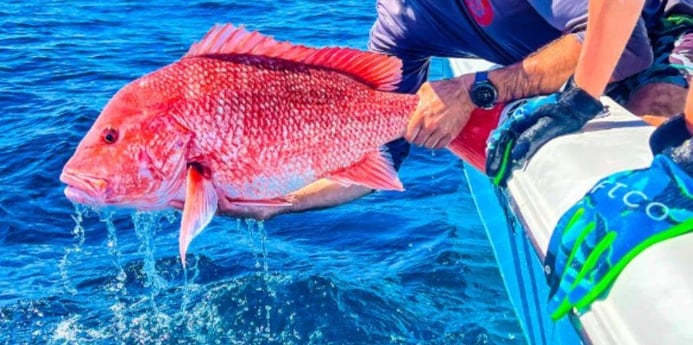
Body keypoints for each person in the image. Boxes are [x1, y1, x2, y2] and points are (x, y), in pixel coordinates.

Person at [218, 0, 693, 220]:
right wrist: (281, 205)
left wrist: (475, 90)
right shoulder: (401, 25)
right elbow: (379, 160)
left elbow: (626, 50)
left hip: (661, 27)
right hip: (576, 63)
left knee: (659, 117)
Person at [485, 0, 693, 320]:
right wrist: (579, 99)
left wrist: (686, 166)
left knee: (662, 101)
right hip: (638, 26)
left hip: (675, 20)